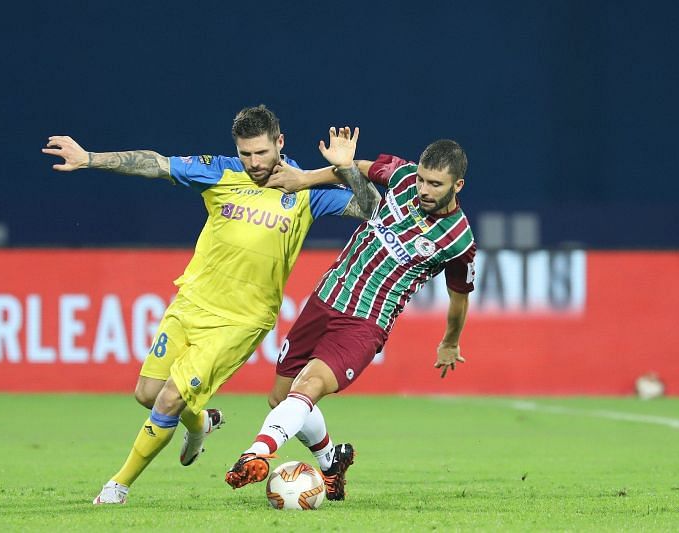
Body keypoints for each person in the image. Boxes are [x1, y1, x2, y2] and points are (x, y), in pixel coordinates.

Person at [42, 106, 380, 504]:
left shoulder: (304, 189)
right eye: (245, 154)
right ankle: (200, 422)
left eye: (261, 153)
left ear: (280, 143)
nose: (253, 163)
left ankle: (117, 486)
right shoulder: (221, 172)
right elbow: (156, 164)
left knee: (169, 399)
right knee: (149, 393)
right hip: (192, 302)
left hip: (241, 320)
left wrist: (347, 169)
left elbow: (370, 207)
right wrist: (90, 159)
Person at [225, 132, 476, 502]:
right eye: (422, 179)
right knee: (281, 399)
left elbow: (459, 299)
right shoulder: (404, 177)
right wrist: (305, 178)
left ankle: (258, 452)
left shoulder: (459, 241)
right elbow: (359, 168)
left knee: (307, 387)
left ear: (458, 185)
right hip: (325, 299)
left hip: (365, 322)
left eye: (435, 184)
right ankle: (331, 464)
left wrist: (450, 341)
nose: (423, 188)